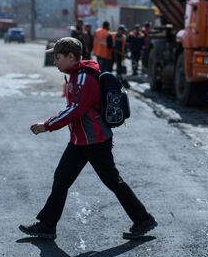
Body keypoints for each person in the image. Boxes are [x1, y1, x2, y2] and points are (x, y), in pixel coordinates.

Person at [20, 37, 157, 240]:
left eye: (57, 58)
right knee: (61, 179)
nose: (55, 62)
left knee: (113, 182)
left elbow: (76, 110)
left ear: (71, 57)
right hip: (80, 141)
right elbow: (73, 109)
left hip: (95, 141)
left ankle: (143, 219)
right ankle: (47, 225)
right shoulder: (75, 76)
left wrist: (46, 125)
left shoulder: (84, 78)